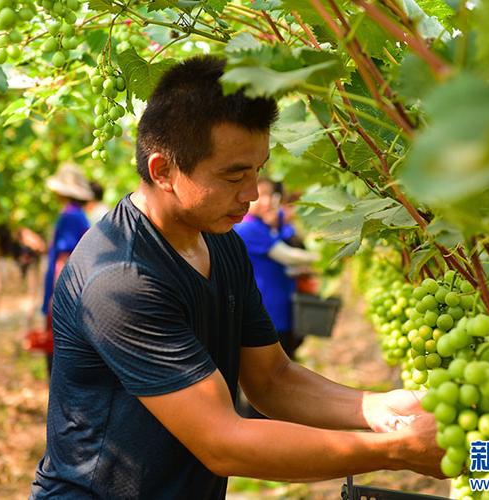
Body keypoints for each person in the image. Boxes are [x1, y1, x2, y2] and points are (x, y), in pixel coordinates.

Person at [30, 55, 442, 499]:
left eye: (258, 169)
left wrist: (379, 408)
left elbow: (272, 379)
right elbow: (223, 442)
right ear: (163, 171)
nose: (252, 193)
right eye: (234, 175)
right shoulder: (119, 279)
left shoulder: (221, 239)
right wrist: (397, 449)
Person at [235, 177, 318, 359]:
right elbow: (288, 256)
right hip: (269, 309)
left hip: (280, 305)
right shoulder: (248, 228)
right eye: (259, 195)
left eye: (270, 195)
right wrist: (325, 258)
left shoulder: (262, 224)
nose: (266, 201)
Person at [42, 164, 92, 375]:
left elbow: (64, 259)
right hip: (77, 292)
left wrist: (57, 295)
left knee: (57, 360)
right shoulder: (78, 215)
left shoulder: (70, 217)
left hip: (66, 293)